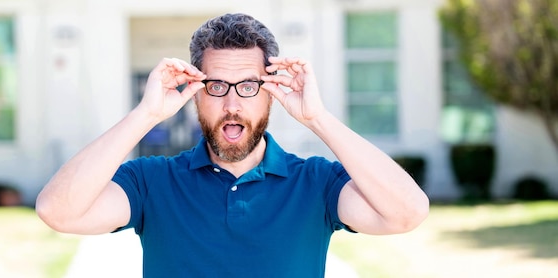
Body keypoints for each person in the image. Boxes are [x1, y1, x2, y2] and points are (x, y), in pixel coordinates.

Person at [36, 13, 429, 277]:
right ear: (194, 93)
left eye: (249, 86)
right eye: (217, 86)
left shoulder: (316, 183)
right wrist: (146, 115)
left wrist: (318, 119)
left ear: (271, 92)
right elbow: (58, 211)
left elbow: (407, 213)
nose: (232, 104)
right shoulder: (151, 182)